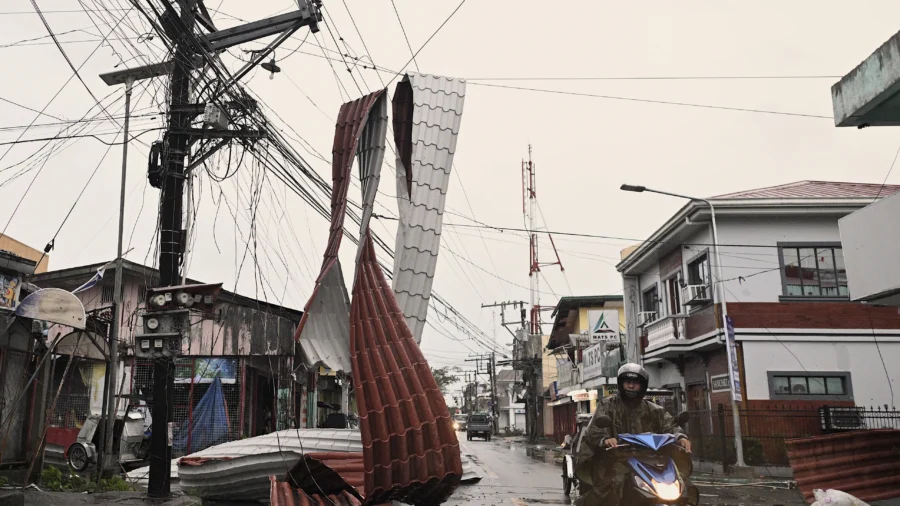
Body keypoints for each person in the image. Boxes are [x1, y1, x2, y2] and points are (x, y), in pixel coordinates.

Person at [573, 363, 692, 506]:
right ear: (621, 384)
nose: (630, 386)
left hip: (649, 461)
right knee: (610, 487)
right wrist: (605, 439)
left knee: (683, 486)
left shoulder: (654, 410)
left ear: (642, 386)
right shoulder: (607, 405)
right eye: (627, 382)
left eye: (635, 383)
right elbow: (594, 430)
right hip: (615, 460)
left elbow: (670, 425)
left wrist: (681, 437)